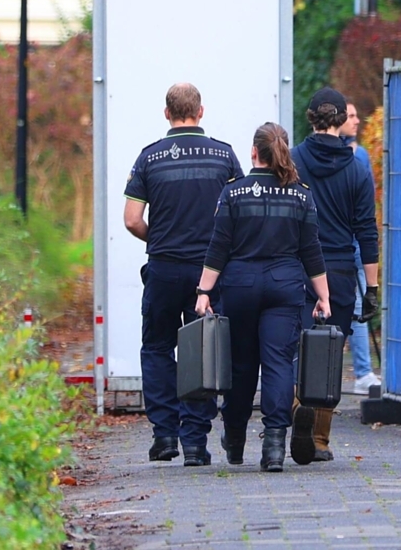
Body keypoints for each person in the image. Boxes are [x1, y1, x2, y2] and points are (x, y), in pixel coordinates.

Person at [194, 122, 331, 472]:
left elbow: (218, 248)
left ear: (254, 152)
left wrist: (204, 291)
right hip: (284, 286)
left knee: (241, 366)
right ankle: (273, 446)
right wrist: (323, 297)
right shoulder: (301, 194)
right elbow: (311, 252)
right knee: (278, 364)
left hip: (240, 287)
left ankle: (235, 440)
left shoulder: (234, 193)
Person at [124, 82, 244, 467]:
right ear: (201, 112)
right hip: (207, 274)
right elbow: (236, 217)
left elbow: (131, 220)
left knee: (158, 346)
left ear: (166, 113)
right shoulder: (224, 157)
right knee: (204, 350)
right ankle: (195, 442)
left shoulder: (149, 159)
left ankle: (164, 435)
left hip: (162, 267)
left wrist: (157, 237)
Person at [289, 87, 379, 465]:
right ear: (342, 120)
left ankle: (293, 416)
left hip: (296, 268)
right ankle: (320, 438)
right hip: (340, 272)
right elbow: (367, 231)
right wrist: (371, 287)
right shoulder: (357, 167)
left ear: (311, 117)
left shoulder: (292, 161)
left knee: (293, 349)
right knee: (329, 354)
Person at [338, 101, 381, 395]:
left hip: (354, 244)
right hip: (341, 245)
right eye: (350, 116)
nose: (356, 121)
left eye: (356, 115)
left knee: (358, 308)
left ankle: (364, 372)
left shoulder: (361, 155)